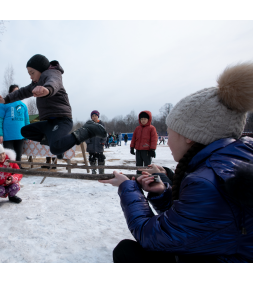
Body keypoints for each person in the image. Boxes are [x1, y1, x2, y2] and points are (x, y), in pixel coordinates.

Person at [100, 62, 253, 263]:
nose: (168, 140)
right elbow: (191, 224)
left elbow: (151, 236)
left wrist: (128, 187)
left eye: (171, 133)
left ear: (189, 136)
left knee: (127, 252)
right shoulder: (231, 160)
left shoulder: (208, 182)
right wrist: (162, 194)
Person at [0, 54, 106, 160]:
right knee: (25, 131)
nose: (31, 77)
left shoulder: (52, 74)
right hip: (49, 124)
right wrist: (5, 100)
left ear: (40, 69)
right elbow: (22, 92)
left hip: (62, 120)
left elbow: (53, 83)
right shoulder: (36, 83)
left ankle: (87, 130)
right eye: (29, 74)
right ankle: (56, 143)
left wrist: (46, 90)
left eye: (32, 73)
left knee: (55, 148)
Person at [0, 84, 30, 166]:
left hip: (20, 135)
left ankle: (18, 173)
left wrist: (28, 134)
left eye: (18, 92)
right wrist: (0, 134)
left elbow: (26, 121)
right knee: (10, 156)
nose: (17, 94)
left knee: (18, 156)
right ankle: (9, 173)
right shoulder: (4, 104)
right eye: (15, 92)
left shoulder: (23, 105)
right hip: (8, 136)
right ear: (10, 93)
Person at [85, 110, 106, 174]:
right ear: (91, 117)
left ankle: (101, 173)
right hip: (91, 145)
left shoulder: (101, 125)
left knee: (101, 159)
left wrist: (102, 142)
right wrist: (88, 142)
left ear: (98, 116)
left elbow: (104, 135)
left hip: (99, 145)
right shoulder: (88, 125)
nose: (94, 117)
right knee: (92, 159)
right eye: (93, 116)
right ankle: (93, 172)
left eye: (95, 116)